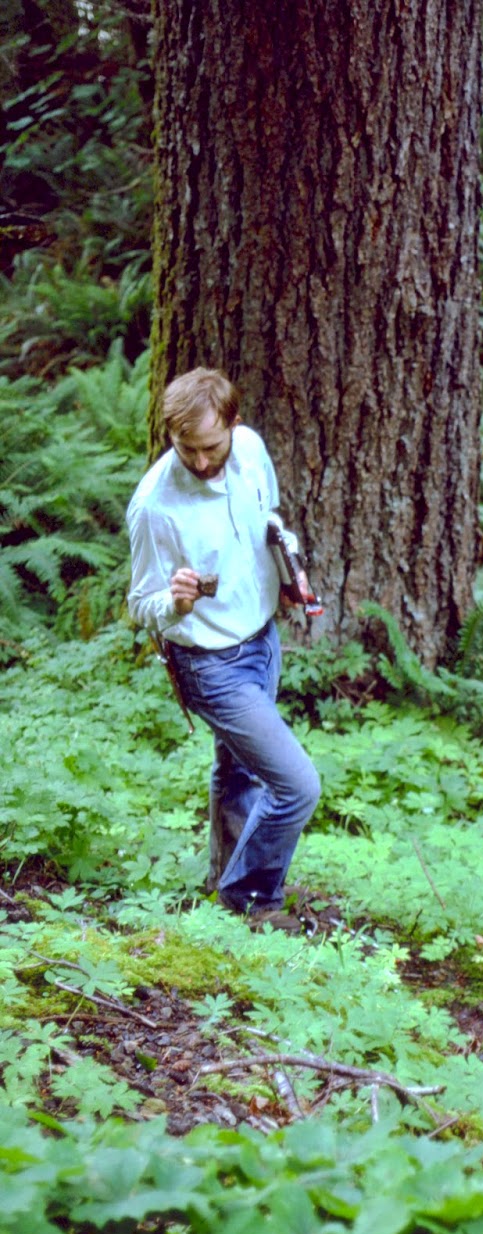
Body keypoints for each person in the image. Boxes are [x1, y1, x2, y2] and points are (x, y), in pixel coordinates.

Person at [127, 367, 320, 928]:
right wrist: (174, 602)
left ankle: (228, 876)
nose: (200, 460)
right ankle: (250, 897)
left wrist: (289, 569)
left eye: (211, 446)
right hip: (208, 664)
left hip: (263, 640)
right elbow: (139, 603)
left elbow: (269, 520)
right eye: (186, 447)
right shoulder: (155, 505)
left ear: (234, 424)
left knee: (238, 771)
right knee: (296, 785)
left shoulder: (252, 450)